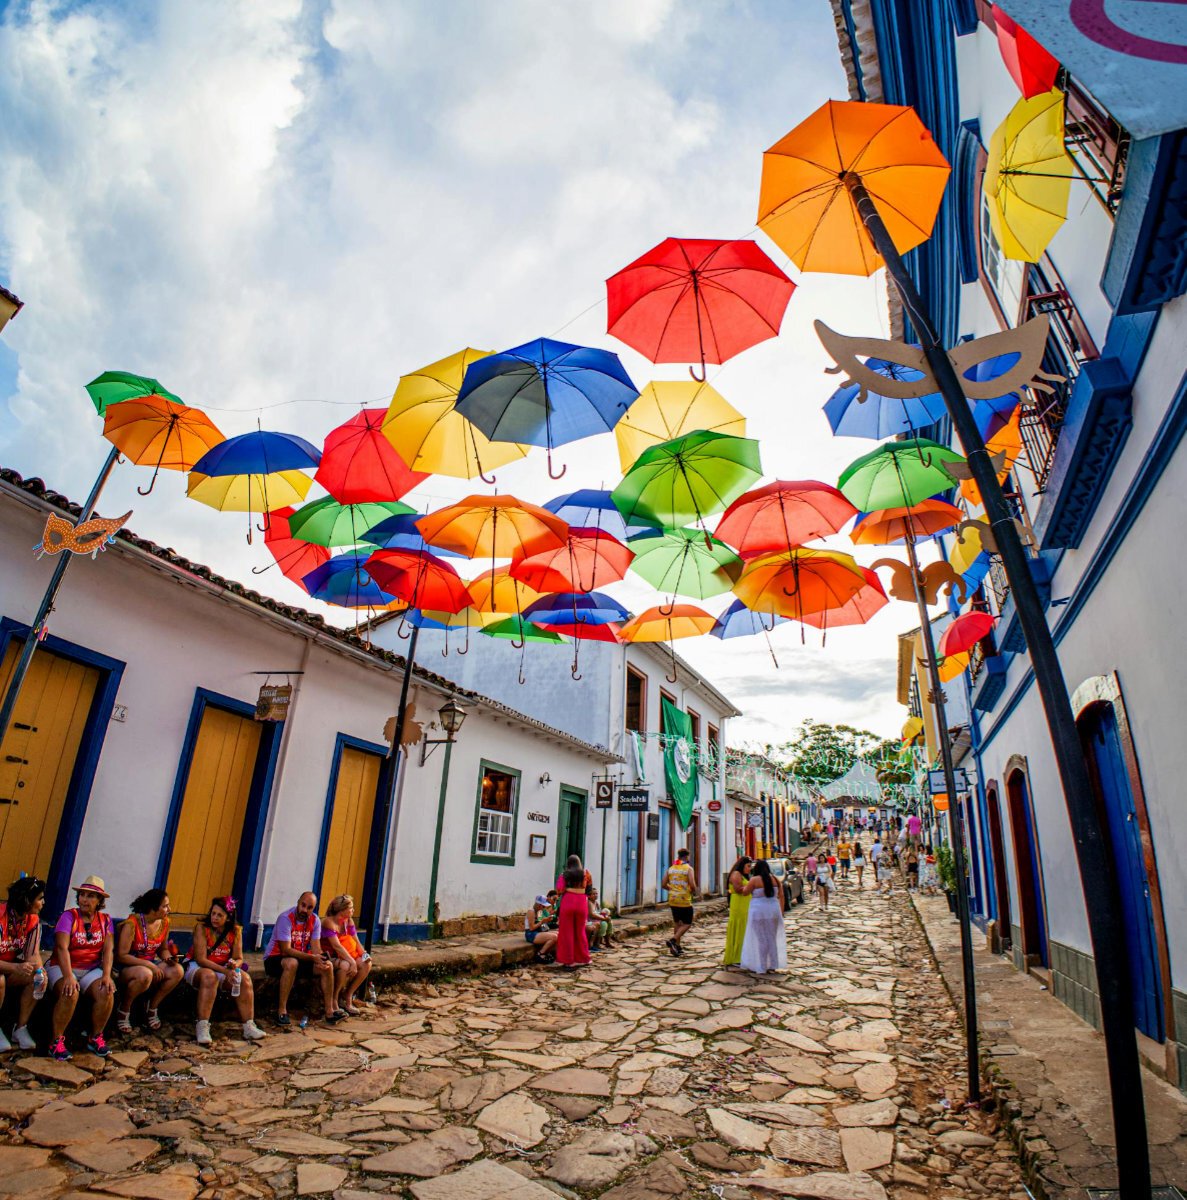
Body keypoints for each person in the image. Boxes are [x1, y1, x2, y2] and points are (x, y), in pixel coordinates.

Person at [47, 875, 116, 1060]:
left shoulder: (106, 921)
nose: (85, 899)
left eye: (91, 896)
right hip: (62, 966)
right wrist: (69, 976)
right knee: (70, 991)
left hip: (90, 967)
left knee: (106, 991)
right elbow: (61, 948)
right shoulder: (69, 916)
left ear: (99, 901)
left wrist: (107, 975)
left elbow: (108, 951)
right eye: (82, 895)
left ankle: (95, 1037)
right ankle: (56, 1041)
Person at [186, 896, 266, 1045]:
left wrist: (234, 965)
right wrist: (224, 971)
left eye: (220, 915)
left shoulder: (235, 931)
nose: (214, 918)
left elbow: (239, 957)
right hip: (200, 967)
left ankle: (249, 1025)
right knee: (210, 977)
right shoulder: (202, 928)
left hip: (223, 967)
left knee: (245, 979)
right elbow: (201, 959)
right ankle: (202, 1025)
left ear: (228, 918)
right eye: (213, 913)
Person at [115, 888, 184, 1034]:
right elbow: (122, 955)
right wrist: (148, 964)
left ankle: (152, 1007)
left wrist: (168, 958)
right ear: (153, 908)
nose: (169, 909)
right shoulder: (132, 924)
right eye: (165, 906)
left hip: (151, 965)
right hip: (129, 967)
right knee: (145, 974)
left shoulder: (164, 923)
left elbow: (162, 949)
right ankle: (124, 1009)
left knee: (177, 970)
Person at [263, 892, 337, 1025]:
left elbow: (316, 948)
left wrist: (321, 959)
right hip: (275, 958)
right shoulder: (285, 918)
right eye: (303, 905)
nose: (305, 910)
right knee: (292, 963)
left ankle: (329, 1011)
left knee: (328, 967)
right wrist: (312, 957)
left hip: (300, 958)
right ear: (298, 902)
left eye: (309, 907)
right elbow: (286, 950)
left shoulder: (315, 921)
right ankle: (281, 1011)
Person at [0, 876, 47, 1052]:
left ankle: (20, 1028)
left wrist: (40, 970)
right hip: (4, 967)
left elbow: (32, 954)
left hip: (9, 964)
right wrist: (15, 968)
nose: (43, 902)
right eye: (40, 898)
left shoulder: (32, 920)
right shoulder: (1, 918)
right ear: (27, 900)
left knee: (38, 978)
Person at [322, 895, 373, 1015]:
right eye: (351, 908)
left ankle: (348, 995)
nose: (353, 910)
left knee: (367, 964)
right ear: (342, 910)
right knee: (345, 965)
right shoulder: (329, 922)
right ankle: (334, 999)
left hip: (347, 954)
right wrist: (352, 961)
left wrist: (365, 955)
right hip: (332, 956)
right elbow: (336, 946)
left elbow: (356, 941)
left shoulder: (348, 921)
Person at [738, 860, 787, 975]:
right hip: (773, 911)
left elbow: (745, 892)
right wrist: (782, 911)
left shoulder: (754, 880)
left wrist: (742, 887)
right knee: (771, 938)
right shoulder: (775, 879)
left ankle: (762, 965)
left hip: (759, 912)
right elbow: (781, 895)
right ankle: (773, 964)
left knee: (761, 939)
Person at [555, 856, 592, 969]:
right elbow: (589, 891)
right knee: (580, 931)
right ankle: (583, 958)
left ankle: (568, 961)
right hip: (581, 902)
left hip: (568, 901)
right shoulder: (586, 874)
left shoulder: (564, 874)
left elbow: (559, 890)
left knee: (567, 932)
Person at [661, 848, 697, 957]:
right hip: (684, 899)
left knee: (677, 923)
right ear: (686, 857)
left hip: (672, 899)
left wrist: (672, 890)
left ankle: (676, 947)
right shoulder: (688, 869)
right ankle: (673, 940)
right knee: (687, 923)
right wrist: (691, 891)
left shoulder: (671, 868)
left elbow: (663, 884)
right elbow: (692, 884)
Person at [722, 856, 752, 967]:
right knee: (739, 929)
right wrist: (752, 886)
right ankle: (736, 957)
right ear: (742, 865)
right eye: (748, 866)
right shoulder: (736, 874)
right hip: (739, 905)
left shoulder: (743, 875)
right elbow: (739, 889)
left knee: (744, 930)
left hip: (744, 905)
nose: (749, 869)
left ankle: (742, 955)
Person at [525, 893, 559, 963]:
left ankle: (549, 952)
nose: (544, 908)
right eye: (543, 906)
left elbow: (542, 927)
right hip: (531, 934)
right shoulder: (531, 912)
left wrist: (546, 922)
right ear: (539, 905)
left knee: (558, 934)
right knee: (554, 937)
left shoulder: (539, 912)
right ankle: (540, 954)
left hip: (538, 931)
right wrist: (542, 921)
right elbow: (531, 928)